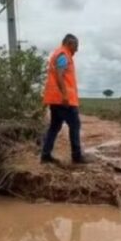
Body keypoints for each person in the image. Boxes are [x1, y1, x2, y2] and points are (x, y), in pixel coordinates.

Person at [40, 33, 86, 164]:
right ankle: (76, 156)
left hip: (56, 100)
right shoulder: (63, 55)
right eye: (75, 46)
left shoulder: (58, 54)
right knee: (75, 125)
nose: (76, 50)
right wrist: (65, 95)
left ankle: (45, 155)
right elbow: (60, 75)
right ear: (69, 43)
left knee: (54, 127)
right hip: (64, 100)